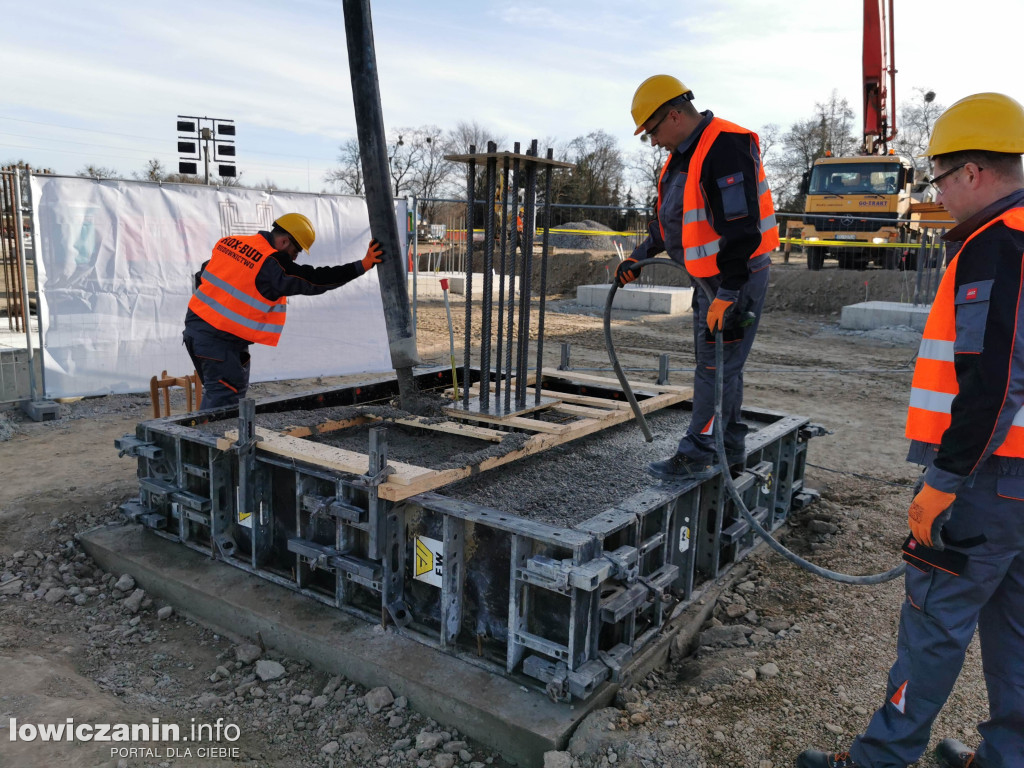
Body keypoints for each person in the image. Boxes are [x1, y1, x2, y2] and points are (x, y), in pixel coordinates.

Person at [797, 92, 1024, 768]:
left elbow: (993, 384)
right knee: (1016, 629)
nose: (940, 197)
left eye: (941, 180)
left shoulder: (996, 246)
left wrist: (945, 482)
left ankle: (879, 761)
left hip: (989, 480)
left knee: (933, 627)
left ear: (974, 172)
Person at [616, 75, 778, 480]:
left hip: (733, 281)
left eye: (652, 131)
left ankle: (698, 451)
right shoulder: (683, 156)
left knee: (714, 367)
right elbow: (671, 222)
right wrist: (639, 256)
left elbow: (743, 229)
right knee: (723, 366)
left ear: (673, 115)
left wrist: (728, 291)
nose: (652, 141)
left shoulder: (724, 147)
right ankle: (730, 446)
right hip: (711, 283)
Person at [183, 212, 383, 409]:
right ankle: (206, 441)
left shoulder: (230, 243)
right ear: (286, 242)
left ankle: (216, 438)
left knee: (219, 394)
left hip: (195, 333)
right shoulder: (272, 263)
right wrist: (362, 265)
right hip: (219, 343)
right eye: (296, 252)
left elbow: (202, 275)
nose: (294, 259)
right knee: (222, 403)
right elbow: (314, 279)